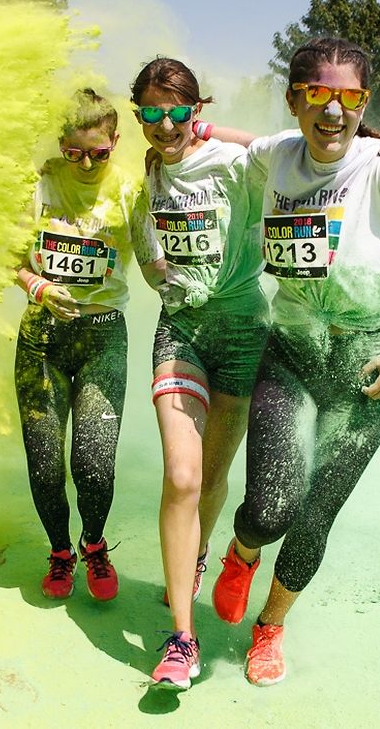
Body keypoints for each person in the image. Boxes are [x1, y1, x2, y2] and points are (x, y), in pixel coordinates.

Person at [208, 38, 380, 686]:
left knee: (316, 512)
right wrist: (191, 126)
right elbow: (241, 142)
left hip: (367, 364)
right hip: (291, 351)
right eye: (318, 93)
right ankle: (241, 552)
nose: (334, 111)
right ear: (295, 100)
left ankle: (270, 629)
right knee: (269, 508)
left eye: (350, 98)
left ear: (364, 104)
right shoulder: (278, 156)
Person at [128, 58, 269, 690]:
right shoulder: (152, 170)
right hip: (181, 329)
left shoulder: (236, 163)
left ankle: (199, 553)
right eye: (150, 114)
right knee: (182, 477)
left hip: (242, 330)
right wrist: (159, 273)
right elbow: (142, 236)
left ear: (196, 110)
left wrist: (378, 140)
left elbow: (294, 155)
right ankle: (182, 639)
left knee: (213, 474)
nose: (164, 125)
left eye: (177, 111)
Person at [14, 89, 151, 602]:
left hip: (102, 338)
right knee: (45, 464)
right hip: (41, 340)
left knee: (93, 464)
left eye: (99, 151)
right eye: (75, 152)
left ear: (116, 140)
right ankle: (59, 552)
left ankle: (94, 545)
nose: (88, 162)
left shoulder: (131, 189)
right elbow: (8, 257)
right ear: (61, 145)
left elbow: (157, 252)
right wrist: (39, 287)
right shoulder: (38, 184)